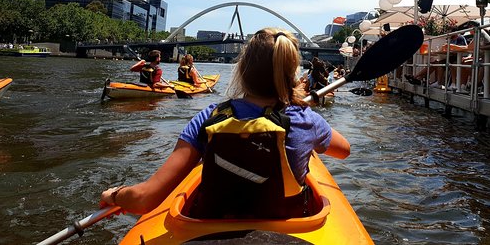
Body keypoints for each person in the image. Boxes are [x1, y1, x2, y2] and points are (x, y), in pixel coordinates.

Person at [100, 28, 350, 216]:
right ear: (291, 74)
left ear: (242, 70)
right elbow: (344, 151)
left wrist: (115, 195)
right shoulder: (306, 119)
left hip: (210, 227)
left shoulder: (210, 116)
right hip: (288, 227)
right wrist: (311, 135)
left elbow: (145, 199)